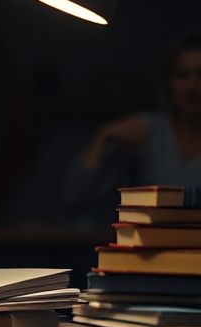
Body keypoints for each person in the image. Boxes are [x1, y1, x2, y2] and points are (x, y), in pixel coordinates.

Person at [65, 32, 201, 209]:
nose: (192, 86)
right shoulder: (146, 130)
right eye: (182, 75)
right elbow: (76, 194)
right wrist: (104, 137)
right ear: (168, 82)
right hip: (147, 236)